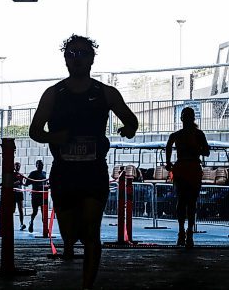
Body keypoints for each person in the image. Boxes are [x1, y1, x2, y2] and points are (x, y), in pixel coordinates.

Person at [29, 34, 138, 290]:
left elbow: (131, 120)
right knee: (70, 234)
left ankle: (87, 286)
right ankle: (71, 236)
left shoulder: (106, 93)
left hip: (93, 171)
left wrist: (129, 129)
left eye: (83, 54)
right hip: (64, 172)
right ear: (66, 59)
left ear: (91, 59)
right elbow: (34, 131)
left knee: (92, 233)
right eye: (72, 54)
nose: (77, 59)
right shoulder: (54, 94)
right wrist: (55, 137)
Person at [165, 106, 210, 248]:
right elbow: (207, 152)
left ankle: (182, 232)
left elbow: (168, 146)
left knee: (182, 201)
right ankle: (189, 232)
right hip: (193, 169)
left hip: (182, 169)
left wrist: (168, 163)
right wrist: (197, 149)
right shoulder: (198, 134)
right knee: (191, 202)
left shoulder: (177, 135)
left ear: (181, 119)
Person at [24, 159, 47, 233]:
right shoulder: (33, 173)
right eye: (39, 165)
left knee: (44, 212)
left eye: (42, 165)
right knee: (35, 211)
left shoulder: (44, 173)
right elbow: (27, 183)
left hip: (43, 195)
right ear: (36, 166)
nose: (40, 166)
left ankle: (45, 228)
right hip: (35, 195)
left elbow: (45, 183)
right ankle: (31, 222)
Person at [13, 162, 26, 231]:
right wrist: (16, 183)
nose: (18, 167)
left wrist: (24, 183)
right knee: (12, 209)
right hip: (13, 193)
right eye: (16, 166)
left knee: (20, 209)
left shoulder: (21, 174)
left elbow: (23, 183)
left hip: (19, 192)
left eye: (19, 166)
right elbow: (9, 183)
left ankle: (21, 223)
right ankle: (10, 223)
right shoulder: (11, 174)